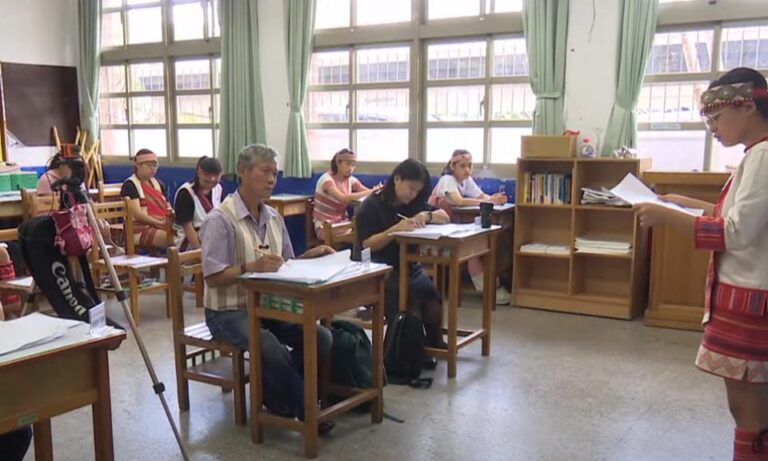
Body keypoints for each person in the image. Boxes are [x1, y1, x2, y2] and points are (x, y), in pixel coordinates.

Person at [636, 67, 768, 461]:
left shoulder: (763, 156)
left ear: (747, 106)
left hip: (751, 298)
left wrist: (667, 218)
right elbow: (734, 215)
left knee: (748, 408)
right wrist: (683, 204)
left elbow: (736, 233)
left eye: (717, 117)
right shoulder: (756, 154)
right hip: (749, 294)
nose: (712, 127)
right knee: (752, 407)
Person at [200, 143, 336, 433]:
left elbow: (285, 263)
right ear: (243, 171)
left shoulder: (274, 217)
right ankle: (307, 411)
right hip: (228, 311)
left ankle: (274, 393)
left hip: (268, 306)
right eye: (265, 172)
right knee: (268, 345)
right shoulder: (220, 220)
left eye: (275, 173)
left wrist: (309, 257)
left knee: (320, 337)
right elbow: (212, 276)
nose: (272, 179)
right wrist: (251, 267)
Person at [355, 158, 450, 350]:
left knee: (432, 297)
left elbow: (445, 216)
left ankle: (433, 343)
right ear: (397, 179)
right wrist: (395, 230)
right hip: (378, 269)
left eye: (417, 191)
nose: (413, 194)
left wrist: (426, 215)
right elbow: (367, 244)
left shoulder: (413, 203)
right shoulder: (372, 205)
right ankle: (402, 351)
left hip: (409, 266)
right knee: (405, 303)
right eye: (411, 188)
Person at [428, 149, 510, 304]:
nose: (467, 170)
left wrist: (494, 199)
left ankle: (493, 285)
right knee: (473, 249)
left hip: (451, 228)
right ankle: (486, 289)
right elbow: (458, 201)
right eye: (462, 166)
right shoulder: (447, 179)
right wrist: (488, 201)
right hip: (437, 232)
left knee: (483, 245)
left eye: (470, 165)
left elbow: (482, 197)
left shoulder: (466, 181)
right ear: (452, 166)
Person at [312, 148, 381, 241]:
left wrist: (379, 190)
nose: (351, 168)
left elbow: (365, 190)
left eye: (353, 165)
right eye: (348, 164)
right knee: (360, 233)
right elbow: (343, 198)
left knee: (364, 230)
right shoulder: (326, 180)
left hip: (342, 222)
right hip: (324, 227)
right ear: (338, 163)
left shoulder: (350, 179)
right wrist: (372, 191)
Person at [121, 148, 171, 249]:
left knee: (185, 234)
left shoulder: (158, 184)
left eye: (155, 165)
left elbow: (168, 206)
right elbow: (137, 214)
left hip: (161, 224)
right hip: (140, 229)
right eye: (149, 165)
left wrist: (170, 221)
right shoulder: (130, 185)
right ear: (138, 165)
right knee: (175, 238)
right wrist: (160, 223)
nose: (153, 169)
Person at [173, 156, 223, 250]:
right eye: (207, 175)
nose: (212, 179)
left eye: (216, 176)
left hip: (211, 237)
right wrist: (201, 252)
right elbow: (187, 227)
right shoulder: (185, 192)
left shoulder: (218, 188)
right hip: (190, 241)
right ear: (199, 172)